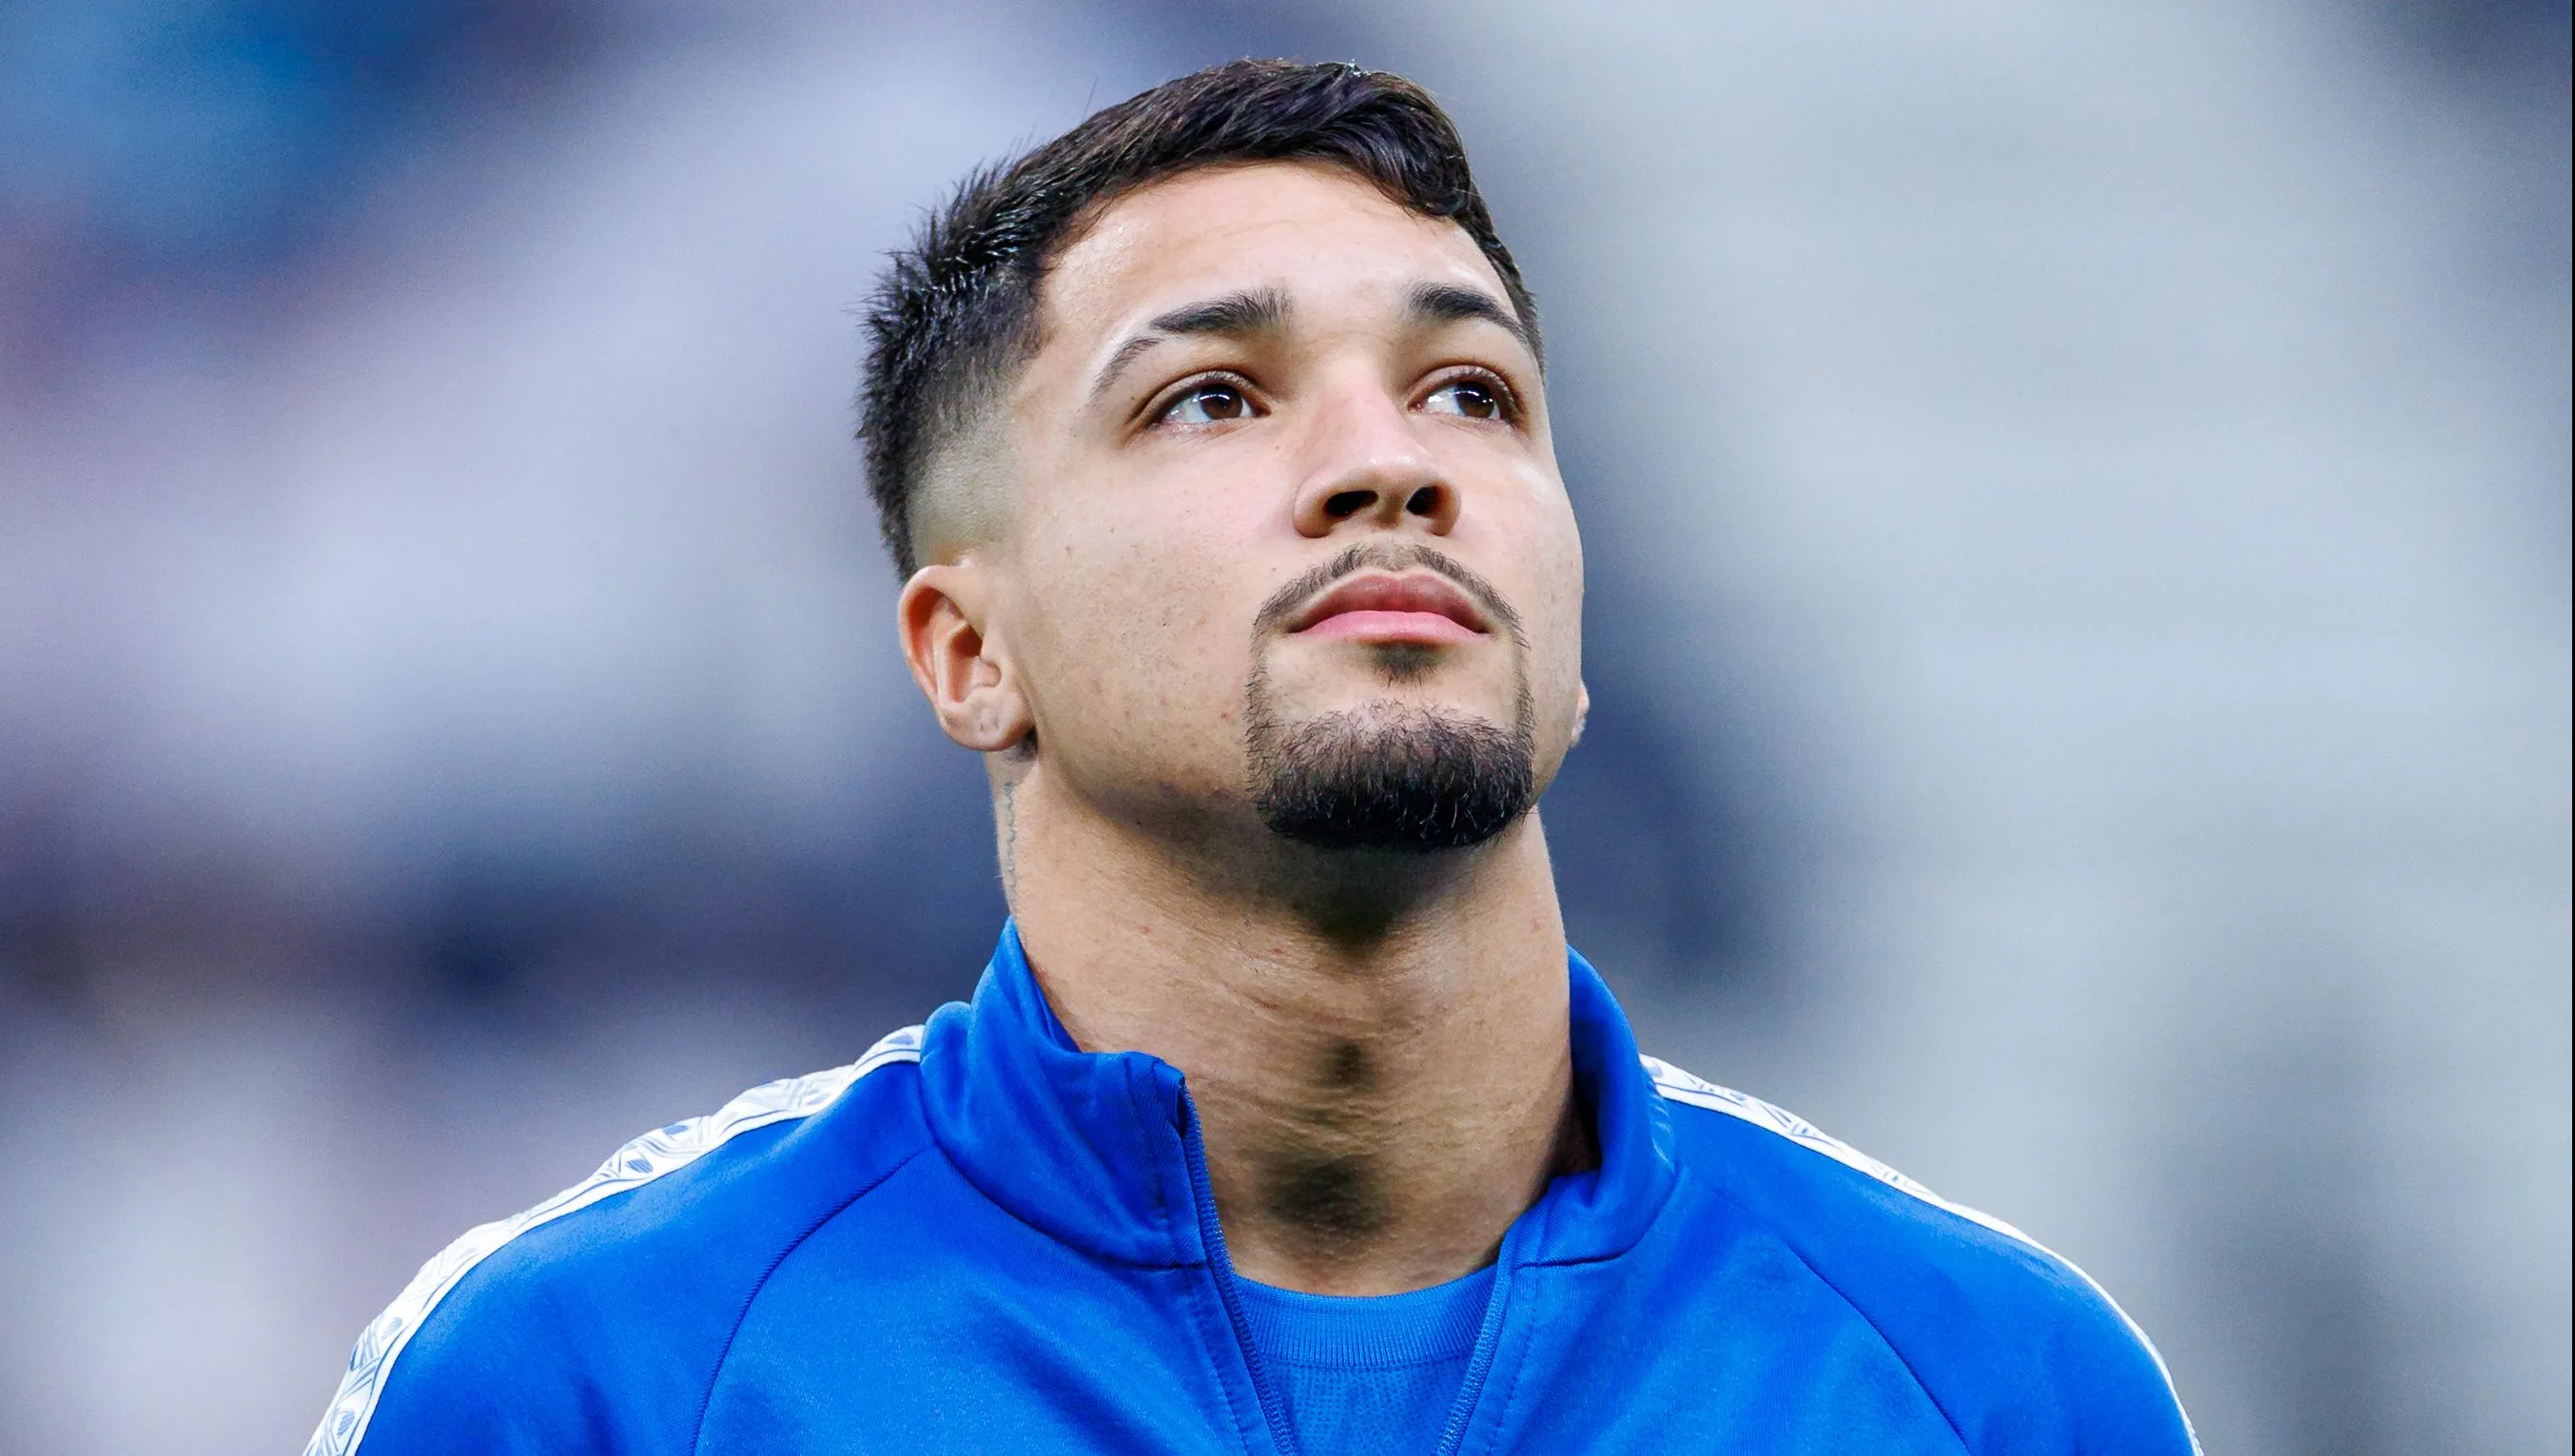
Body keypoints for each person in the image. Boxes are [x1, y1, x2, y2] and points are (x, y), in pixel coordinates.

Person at [307, 59, 2198, 1455]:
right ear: (970, 654)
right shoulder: (595, 1379)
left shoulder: (1997, 1384)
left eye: (1472, 391)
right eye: (1212, 397)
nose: (1398, 463)